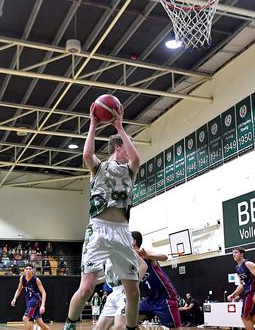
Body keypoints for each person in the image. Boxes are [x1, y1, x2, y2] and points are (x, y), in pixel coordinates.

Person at [63, 102, 141, 330]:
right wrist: (93, 123)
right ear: (118, 148)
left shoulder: (130, 170)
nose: (131, 148)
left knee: (133, 291)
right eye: (127, 145)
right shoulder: (99, 168)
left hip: (122, 233)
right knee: (86, 288)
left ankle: (131, 328)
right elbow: (87, 154)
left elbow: (136, 159)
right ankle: (70, 324)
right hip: (98, 229)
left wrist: (120, 126)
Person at [131, 231, 181, 328]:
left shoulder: (145, 252)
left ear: (133, 241)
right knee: (128, 313)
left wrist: (148, 256)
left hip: (164, 298)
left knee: (173, 328)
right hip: (150, 300)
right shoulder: (132, 260)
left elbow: (164, 257)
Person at [11, 264, 50, 330]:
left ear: (32, 270)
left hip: (35, 300)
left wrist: (43, 305)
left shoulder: (36, 280)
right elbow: (19, 289)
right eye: (27, 269)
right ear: (24, 270)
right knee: (39, 322)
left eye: (30, 269)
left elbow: (44, 292)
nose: (28, 270)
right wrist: (14, 299)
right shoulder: (22, 278)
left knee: (25, 318)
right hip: (29, 300)